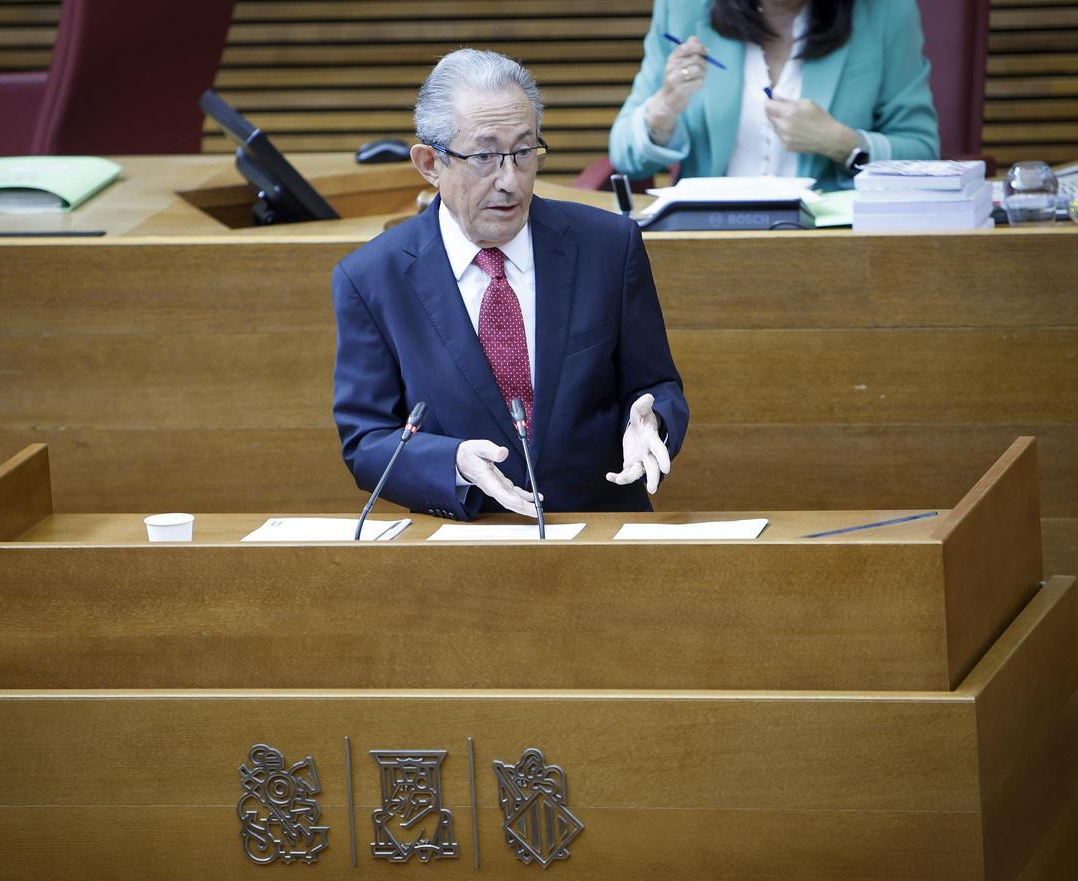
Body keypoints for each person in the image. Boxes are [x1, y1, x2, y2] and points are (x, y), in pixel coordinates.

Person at [332, 49, 689, 521]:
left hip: (598, 525)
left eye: (523, 153)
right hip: (465, 538)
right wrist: (451, 462)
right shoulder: (373, 277)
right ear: (429, 163)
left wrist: (653, 421)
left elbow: (655, 384)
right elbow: (366, 439)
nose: (509, 181)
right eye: (484, 156)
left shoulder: (608, 246)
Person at [609, 0, 940, 191]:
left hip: (832, 244)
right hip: (706, 237)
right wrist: (665, 107)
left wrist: (841, 143)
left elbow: (923, 153)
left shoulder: (886, 12)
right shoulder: (683, 8)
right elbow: (625, 155)